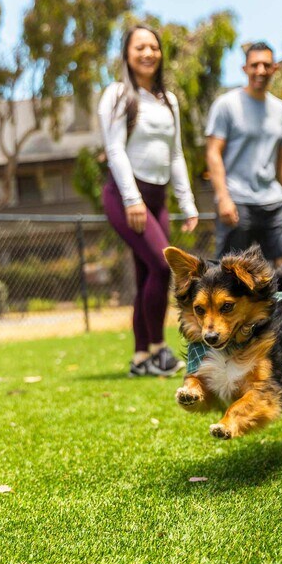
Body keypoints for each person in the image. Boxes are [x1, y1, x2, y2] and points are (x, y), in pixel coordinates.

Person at [98, 24, 199, 377]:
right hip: (126, 197)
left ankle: (141, 358)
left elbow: (176, 155)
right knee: (162, 266)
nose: (147, 53)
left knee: (148, 277)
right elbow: (114, 149)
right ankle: (158, 350)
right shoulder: (116, 95)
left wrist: (187, 203)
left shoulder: (168, 100)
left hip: (158, 200)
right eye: (139, 47)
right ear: (126, 53)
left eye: (153, 47)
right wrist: (132, 199)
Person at [205, 41, 282, 266]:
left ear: (275, 68)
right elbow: (213, 153)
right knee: (230, 270)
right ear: (244, 69)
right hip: (237, 200)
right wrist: (223, 198)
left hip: (274, 200)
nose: (260, 71)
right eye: (255, 65)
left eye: (266, 65)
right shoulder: (226, 105)